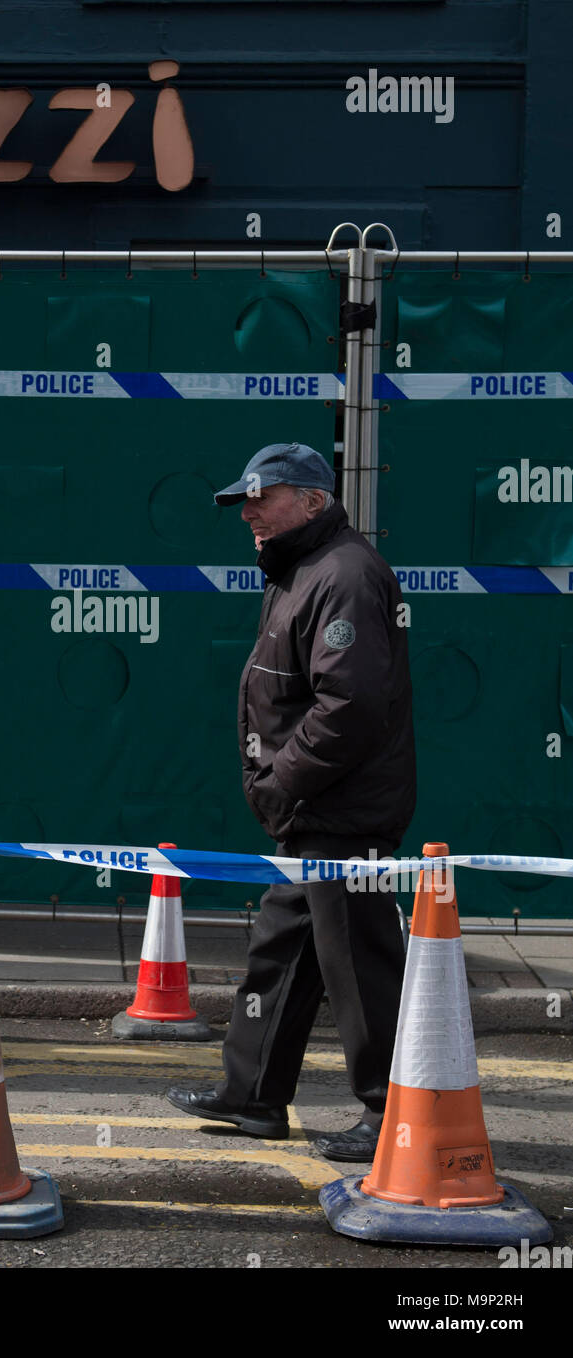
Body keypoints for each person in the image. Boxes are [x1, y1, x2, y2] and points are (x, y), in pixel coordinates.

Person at [167, 442, 416, 1162]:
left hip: (341, 814)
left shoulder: (342, 573)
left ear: (312, 499)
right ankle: (251, 1095)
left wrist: (283, 779)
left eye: (262, 497)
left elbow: (351, 703)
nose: (247, 512)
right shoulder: (300, 567)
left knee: (361, 968)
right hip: (311, 814)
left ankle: (392, 1114)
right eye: (242, 501)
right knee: (280, 954)